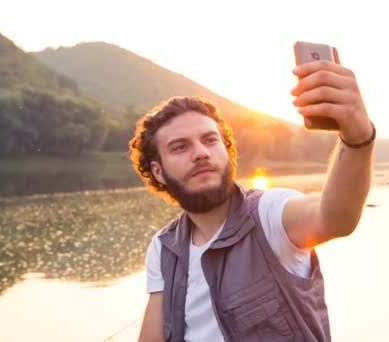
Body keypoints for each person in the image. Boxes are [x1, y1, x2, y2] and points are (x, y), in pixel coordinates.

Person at [130, 52, 375, 342]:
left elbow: (334, 218)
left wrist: (357, 137)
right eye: (180, 147)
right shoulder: (164, 247)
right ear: (158, 172)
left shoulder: (269, 214)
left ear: (226, 149)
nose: (201, 152)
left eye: (210, 140)